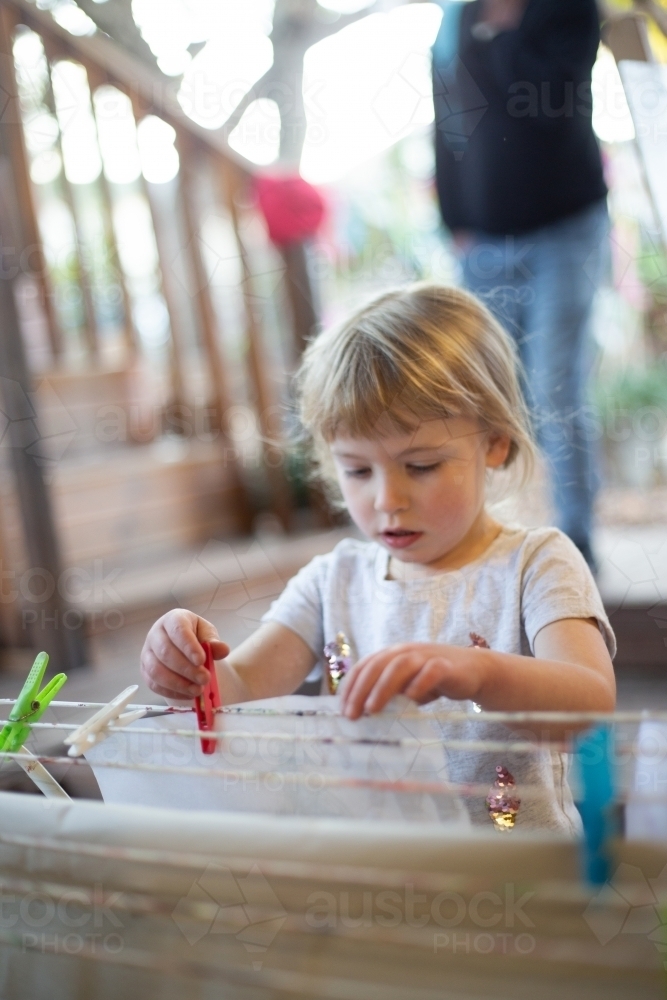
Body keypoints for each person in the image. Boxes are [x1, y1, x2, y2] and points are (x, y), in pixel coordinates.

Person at [141, 284, 616, 832]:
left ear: (496, 443)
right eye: (358, 471)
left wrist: (479, 670)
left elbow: (592, 707)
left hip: (518, 892)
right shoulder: (332, 582)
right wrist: (188, 660)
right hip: (375, 884)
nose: (388, 499)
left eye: (421, 466)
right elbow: (242, 687)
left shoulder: (536, 564)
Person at [432, 0, 609, 569]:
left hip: (565, 231)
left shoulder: (570, 9)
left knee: (557, 383)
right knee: (489, 393)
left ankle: (577, 541)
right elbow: (450, 121)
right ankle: (486, 540)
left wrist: (500, 36)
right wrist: (454, 219)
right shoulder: (453, 20)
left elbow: (553, 105)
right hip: (481, 241)